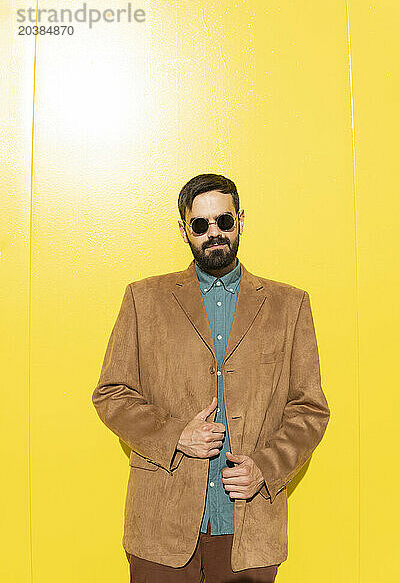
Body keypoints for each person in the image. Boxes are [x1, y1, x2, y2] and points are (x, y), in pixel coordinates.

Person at [92, 173, 330, 582]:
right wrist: (174, 435)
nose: (214, 233)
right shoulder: (143, 299)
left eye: (224, 221)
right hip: (161, 525)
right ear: (184, 229)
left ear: (241, 219)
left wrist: (267, 468)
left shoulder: (290, 306)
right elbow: (111, 394)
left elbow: (310, 409)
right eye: (201, 225)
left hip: (250, 525)